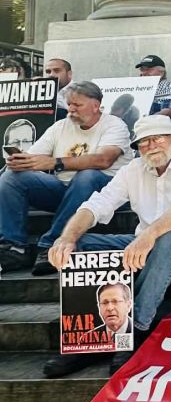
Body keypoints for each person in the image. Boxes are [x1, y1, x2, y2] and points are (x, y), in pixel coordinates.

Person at [44, 115, 171, 378]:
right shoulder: (132, 170)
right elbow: (96, 204)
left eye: (157, 138)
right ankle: (88, 338)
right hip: (142, 245)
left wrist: (149, 236)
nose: (151, 145)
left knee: (167, 237)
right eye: (143, 142)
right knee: (82, 243)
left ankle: (135, 330)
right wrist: (67, 238)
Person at [0, 81, 132, 275]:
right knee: (12, 177)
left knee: (86, 176)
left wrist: (55, 163)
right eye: (69, 104)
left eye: (77, 105)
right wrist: (21, 161)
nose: (71, 109)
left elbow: (103, 160)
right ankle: (14, 247)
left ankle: (52, 244)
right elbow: (36, 156)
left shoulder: (115, 125)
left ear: (96, 105)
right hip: (66, 191)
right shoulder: (60, 126)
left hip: (107, 194)